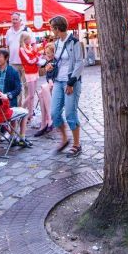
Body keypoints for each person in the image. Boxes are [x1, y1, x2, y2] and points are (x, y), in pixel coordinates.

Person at [49, 15, 84, 156]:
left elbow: (79, 63)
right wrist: (50, 65)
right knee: (55, 113)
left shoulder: (74, 42)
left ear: (57, 29)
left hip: (71, 82)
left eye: (52, 28)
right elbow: (58, 61)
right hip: (58, 81)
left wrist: (71, 82)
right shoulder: (57, 43)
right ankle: (64, 139)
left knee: (70, 113)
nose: (51, 31)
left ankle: (77, 144)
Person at [5, 12, 29, 104]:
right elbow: (7, 47)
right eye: (12, 19)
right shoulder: (8, 32)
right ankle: (19, 107)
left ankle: (27, 108)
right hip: (13, 63)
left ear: (20, 20)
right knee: (17, 86)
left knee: (26, 86)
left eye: (16, 19)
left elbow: (33, 44)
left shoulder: (26, 30)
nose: (14, 21)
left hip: (25, 63)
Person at [33, 42, 55, 137]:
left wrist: (50, 80)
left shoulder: (56, 61)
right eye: (46, 53)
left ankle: (47, 121)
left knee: (43, 88)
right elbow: (48, 77)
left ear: (54, 53)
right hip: (51, 85)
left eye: (49, 53)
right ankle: (45, 122)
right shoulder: (48, 62)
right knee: (41, 92)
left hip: (58, 84)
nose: (47, 55)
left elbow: (55, 75)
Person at [18, 32, 40, 122]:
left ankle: (30, 114)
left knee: (32, 95)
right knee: (30, 95)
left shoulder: (29, 47)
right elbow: (29, 61)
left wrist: (37, 58)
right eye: (28, 38)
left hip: (35, 71)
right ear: (24, 40)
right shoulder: (22, 49)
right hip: (29, 73)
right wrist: (37, 59)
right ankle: (22, 111)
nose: (30, 40)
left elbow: (35, 56)